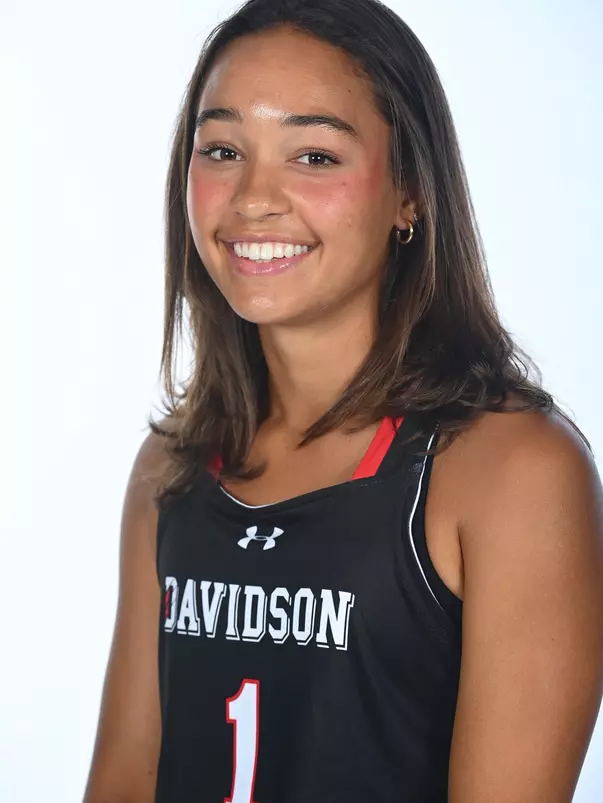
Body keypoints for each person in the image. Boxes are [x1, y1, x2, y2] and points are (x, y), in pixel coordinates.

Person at [83, 1, 603, 801]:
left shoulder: (513, 471)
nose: (254, 198)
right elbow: (124, 776)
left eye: (314, 156)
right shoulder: (171, 469)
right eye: (222, 149)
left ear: (409, 195)